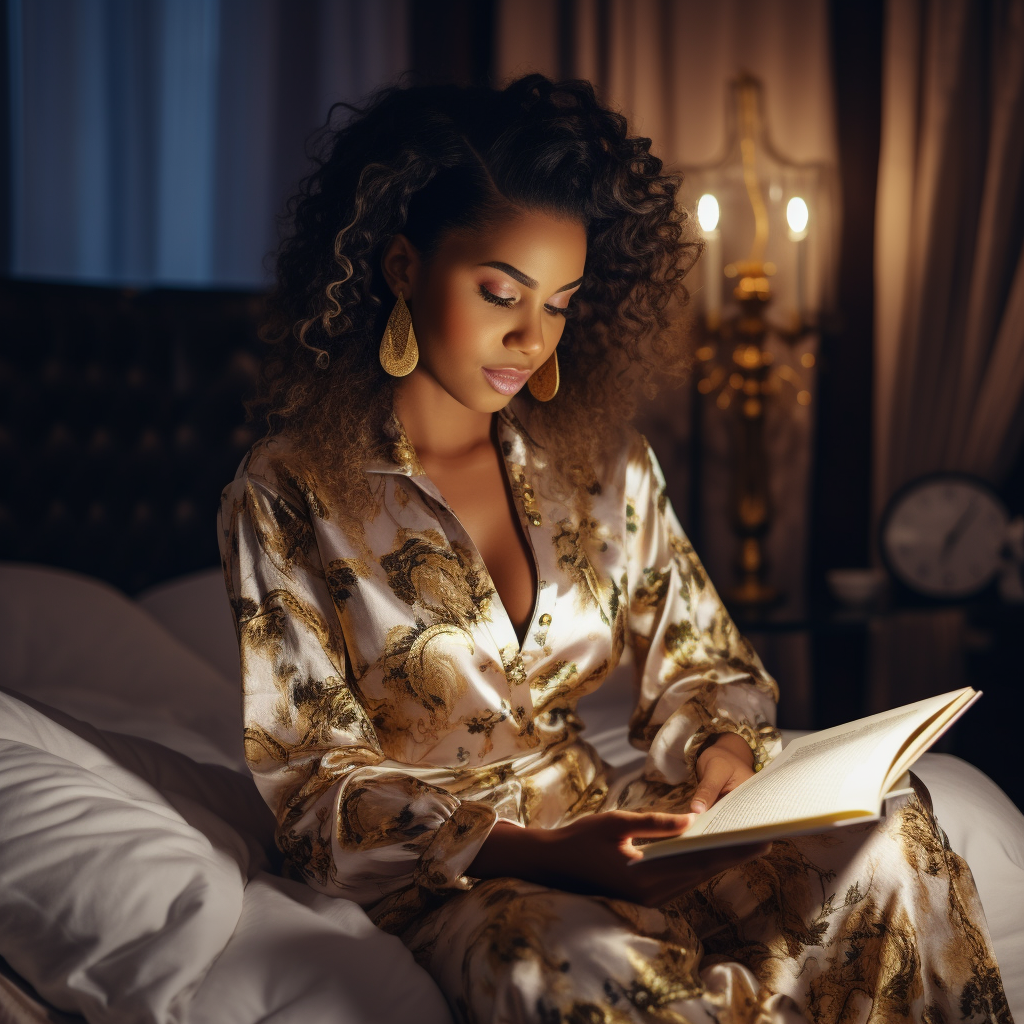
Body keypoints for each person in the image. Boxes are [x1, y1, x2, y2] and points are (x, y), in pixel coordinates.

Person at [217, 75, 1010, 1023]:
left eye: (559, 302)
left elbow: (702, 661)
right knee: (576, 967)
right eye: (501, 292)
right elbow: (312, 792)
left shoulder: (600, 468)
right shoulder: (288, 489)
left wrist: (720, 747)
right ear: (399, 267)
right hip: (461, 876)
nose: (529, 336)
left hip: (617, 819)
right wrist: (538, 854)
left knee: (885, 826)